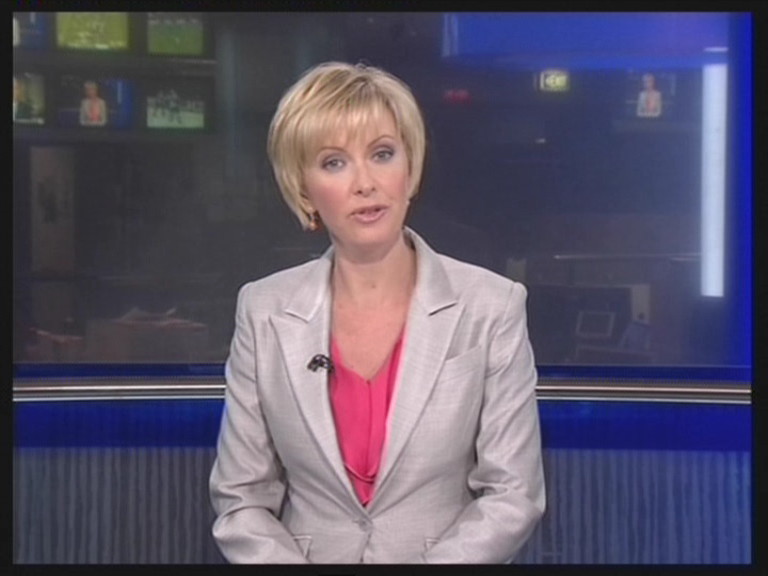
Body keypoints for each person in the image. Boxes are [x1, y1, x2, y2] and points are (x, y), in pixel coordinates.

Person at [209, 61, 545, 564]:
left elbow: (513, 495)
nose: (365, 183)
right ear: (303, 189)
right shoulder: (263, 310)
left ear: (410, 168)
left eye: (382, 154)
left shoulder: (491, 306)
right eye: (334, 162)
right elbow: (241, 501)